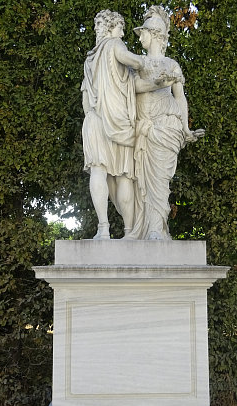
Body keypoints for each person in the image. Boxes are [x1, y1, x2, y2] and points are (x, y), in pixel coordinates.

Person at [127, 6, 205, 240]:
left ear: (155, 35)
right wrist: (157, 83)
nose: (140, 37)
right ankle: (145, 229)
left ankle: (154, 230)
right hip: (143, 128)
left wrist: (186, 128)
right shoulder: (137, 64)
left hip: (167, 127)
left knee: (160, 181)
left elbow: (180, 97)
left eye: (143, 32)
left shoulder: (171, 64)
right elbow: (133, 88)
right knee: (140, 183)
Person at [81, 10, 145, 239]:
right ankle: (130, 232)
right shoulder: (115, 45)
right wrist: (156, 65)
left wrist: (93, 115)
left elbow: (86, 99)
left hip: (94, 120)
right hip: (119, 123)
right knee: (124, 177)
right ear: (110, 29)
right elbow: (136, 61)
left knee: (98, 172)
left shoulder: (89, 60)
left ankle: (103, 228)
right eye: (120, 28)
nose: (123, 33)